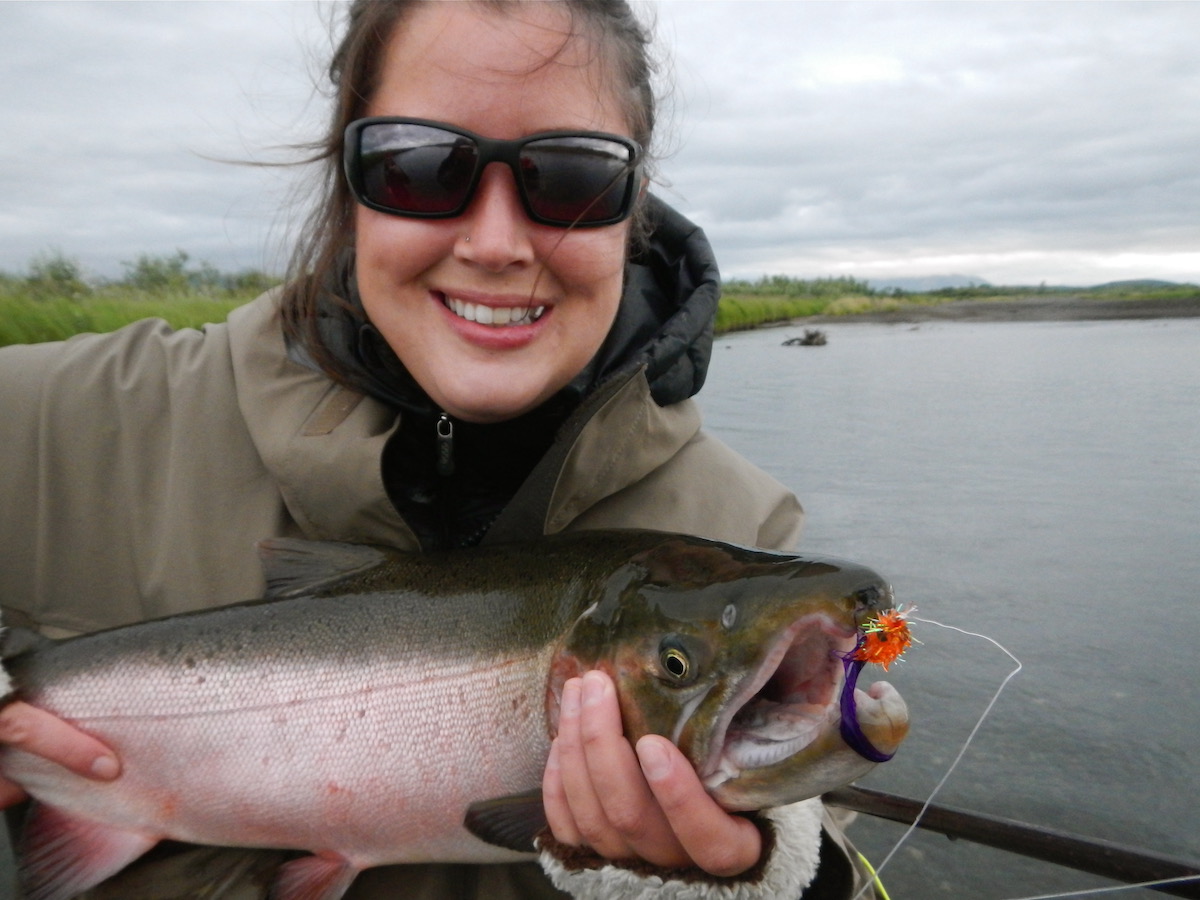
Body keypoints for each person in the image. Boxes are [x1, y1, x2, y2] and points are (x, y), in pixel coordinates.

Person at [0, 2, 879, 898]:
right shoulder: (55, 420)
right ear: (348, 180)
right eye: (417, 167)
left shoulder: (745, 528)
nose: (495, 244)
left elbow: (828, 826)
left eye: (570, 177)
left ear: (634, 203)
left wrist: (770, 874)